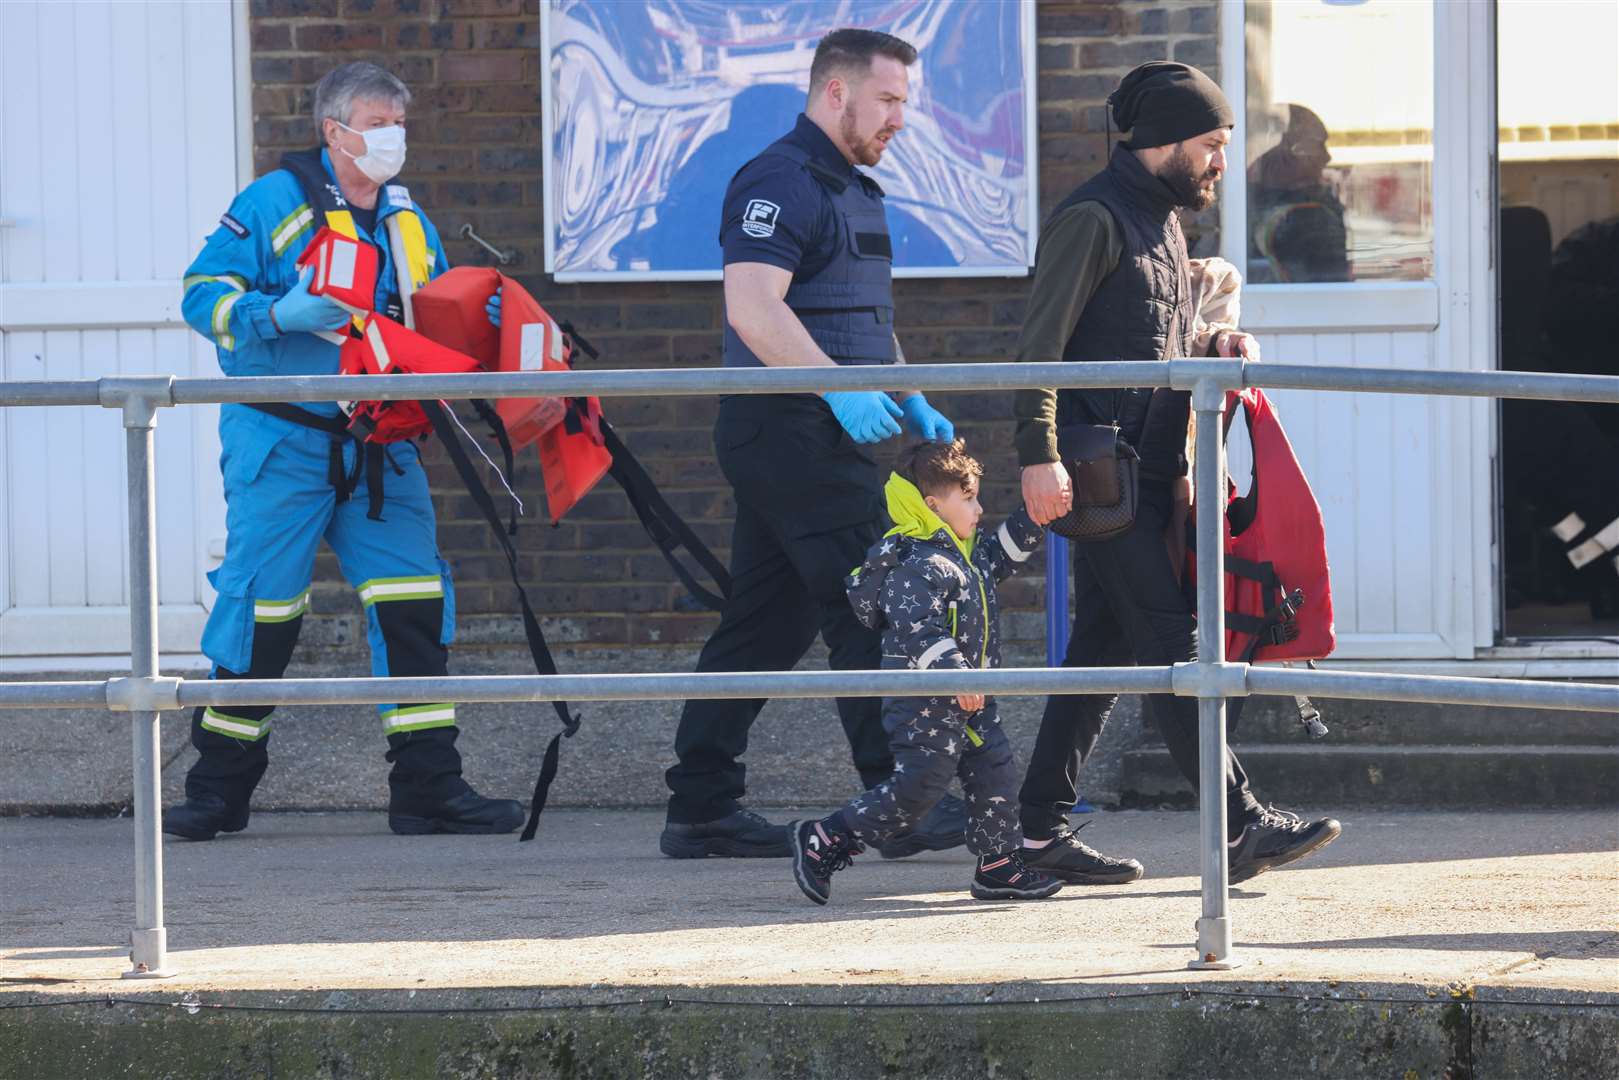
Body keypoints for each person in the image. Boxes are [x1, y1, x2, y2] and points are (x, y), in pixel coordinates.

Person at [164, 62, 524, 840]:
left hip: (381, 445)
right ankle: (217, 792)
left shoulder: (404, 215)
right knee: (263, 612)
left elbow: (419, 325)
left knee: (413, 606)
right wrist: (277, 312)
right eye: (378, 119)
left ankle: (428, 789)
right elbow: (201, 295)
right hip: (284, 439)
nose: (393, 134)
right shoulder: (272, 203)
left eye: (400, 119)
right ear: (334, 130)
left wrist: (478, 321)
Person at [1012, 61, 1342, 885]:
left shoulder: (1160, 220)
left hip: (1147, 474)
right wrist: (1036, 454)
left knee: (1103, 648)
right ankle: (1238, 826)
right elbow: (1039, 345)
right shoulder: (1092, 218)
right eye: (1209, 144)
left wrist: (1214, 349)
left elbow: (1149, 338)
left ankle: (1030, 840)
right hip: (1097, 476)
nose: (1220, 162)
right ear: (1161, 141)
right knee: (1170, 640)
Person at [660, 28, 964, 859]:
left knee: (763, 628)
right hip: (787, 429)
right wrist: (837, 388)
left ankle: (700, 807)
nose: (901, 117)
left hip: (820, 432)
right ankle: (899, 804)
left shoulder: (856, 190)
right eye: (889, 99)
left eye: (906, 100)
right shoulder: (778, 180)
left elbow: (861, 321)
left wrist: (906, 394)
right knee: (875, 603)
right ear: (836, 93)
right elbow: (754, 310)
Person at [789, 440, 1063, 904]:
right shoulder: (911, 563)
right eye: (970, 498)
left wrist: (1035, 518)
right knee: (919, 788)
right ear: (933, 504)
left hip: (974, 698)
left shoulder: (966, 556)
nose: (979, 508)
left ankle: (998, 865)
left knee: (996, 776)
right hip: (926, 704)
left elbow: (1002, 553)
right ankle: (828, 836)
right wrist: (957, 676)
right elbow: (919, 630)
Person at [1247, 104, 1350, 283]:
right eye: (1320, 145)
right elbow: (1332, 286)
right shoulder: (1310, 218)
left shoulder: (1250, 198)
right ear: (1294, 149)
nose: (1327, 157)